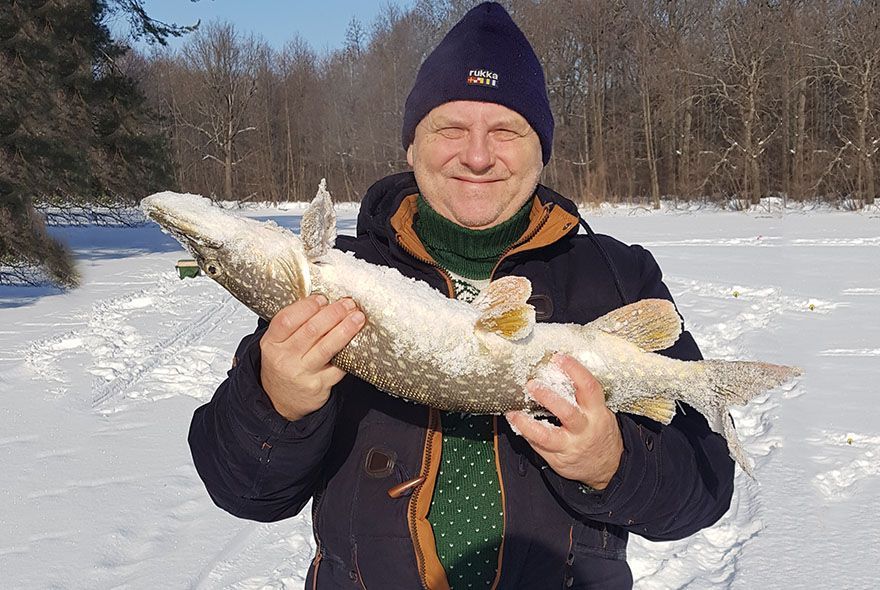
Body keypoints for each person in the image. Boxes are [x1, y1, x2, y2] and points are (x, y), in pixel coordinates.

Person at [188, 3, 735, 588]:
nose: (477, 156)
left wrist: (613, 465)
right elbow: (244, 492)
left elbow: (704, 487)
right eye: (451, 129)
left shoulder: (616, 275)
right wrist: (275, 401)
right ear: (412, 146)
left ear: (540, 149)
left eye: (505, 131)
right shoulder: (342, 274)